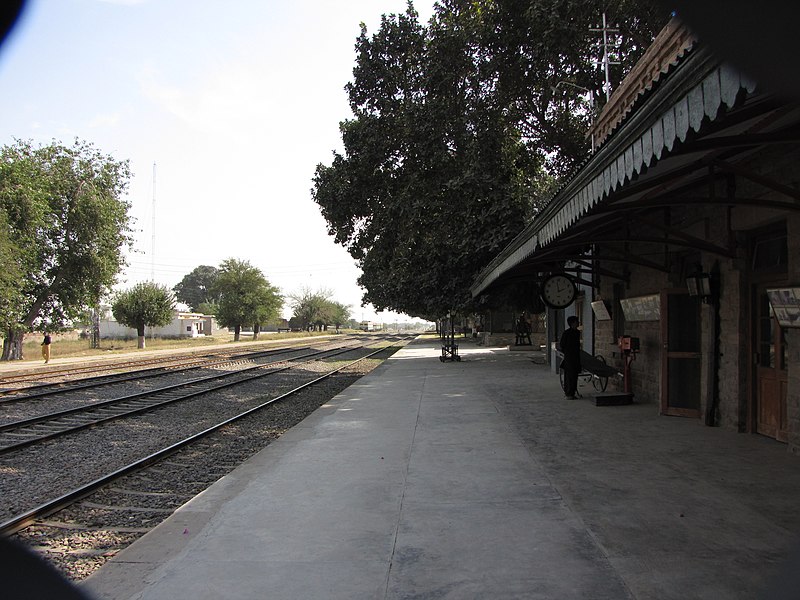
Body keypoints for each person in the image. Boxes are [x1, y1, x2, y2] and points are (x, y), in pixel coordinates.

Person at [559, 316, 581, 399]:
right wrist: (567, 352)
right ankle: (568, 393)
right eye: (576, 322)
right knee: (569, 375)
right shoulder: (567, 333)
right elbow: (562, 345)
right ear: (572, 323)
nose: (578, 323)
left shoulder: (577, 333)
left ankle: (573, 392)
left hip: (576, 356)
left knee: (574, 375)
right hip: (569, 357)